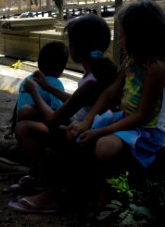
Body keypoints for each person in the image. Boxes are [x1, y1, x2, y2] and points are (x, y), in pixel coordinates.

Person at [69, 0, 165, 207]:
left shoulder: (158, 68)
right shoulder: (133, 60)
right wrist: (87, 122)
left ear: (139, 35)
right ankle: (89, 188)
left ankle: (106, 198)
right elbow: (110, 91)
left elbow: (143, 116)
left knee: (104, 146)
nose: (120, 40)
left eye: (123, 34)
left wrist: (98, 132)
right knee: (75, 133)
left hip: (145, 131)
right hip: (124, 121)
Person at [8, 14, 118, 212]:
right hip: (87, 132)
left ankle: (52, 193)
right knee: (29, 113)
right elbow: (79, 101)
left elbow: (53, 118)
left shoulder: (92, 80)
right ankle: (46, 179)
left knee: (24, 127)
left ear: (76, 47)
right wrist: (48, 88)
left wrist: (34, 90)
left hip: (85, 141)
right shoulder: (98, 72)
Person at [8, 41, 69, 137]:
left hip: (19, 127)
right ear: (62, 67)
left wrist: (12, 127)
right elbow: (58, 113)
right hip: (36, 130)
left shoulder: (28, 79)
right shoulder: (55, 84)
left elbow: (18, 103)